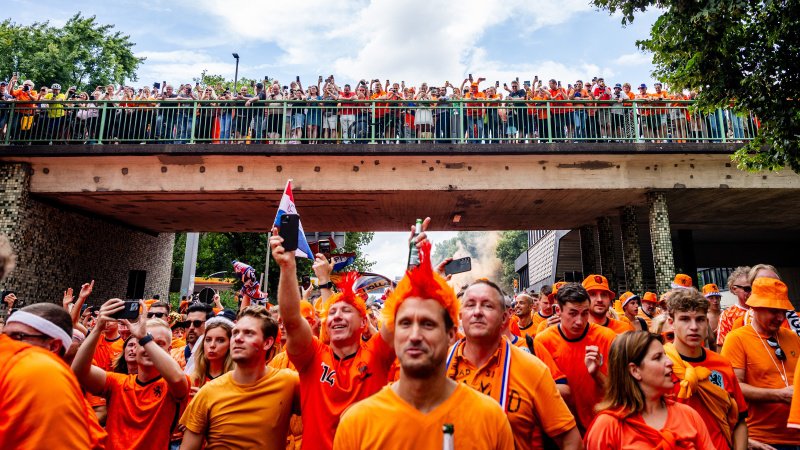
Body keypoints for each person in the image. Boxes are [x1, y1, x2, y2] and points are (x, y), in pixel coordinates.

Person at [333, 240, 515, 450]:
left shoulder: (490, 418)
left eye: (428, 324)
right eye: (405, 323)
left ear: (450, 334)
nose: (415, 335)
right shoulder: (357, 424)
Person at [270, 229, 396, 450]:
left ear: (364, 323)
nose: (337, 315)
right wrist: (287, 267)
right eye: (333, 312)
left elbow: (401, 318)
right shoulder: (313, 356)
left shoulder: (377, 354)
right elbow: (291, 319)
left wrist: (418, 264)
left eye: (346, 311)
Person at [447, 278, 582, 449]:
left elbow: (571, 440)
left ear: (504, 317)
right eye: (470, 305)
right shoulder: (437, 366)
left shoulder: (532, 368)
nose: (477, 312)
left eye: (488, 305)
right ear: (460, 315)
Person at [72, 298, 190, 450]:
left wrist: (144, 338)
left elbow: (177, 378)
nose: (148, 347)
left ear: (169, 351)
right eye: (143, 343)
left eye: (158, 344)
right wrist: (98, 328)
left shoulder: (171, 386)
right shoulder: (117, 382)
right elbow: (78, 371)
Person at [179, 306, 300, 449]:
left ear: (267, 343)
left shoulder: (289, 383)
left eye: (249, 333)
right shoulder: (207, 392)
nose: (238, 338)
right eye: (235, 333)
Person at [584, 331, 715, 448]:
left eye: (665, 355)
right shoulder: (607, 427)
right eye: (658, 357)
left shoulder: (688, 415)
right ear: (635, 371)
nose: (670, 362)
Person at [1, 304, 104, 449]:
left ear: (53, 346)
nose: (4, 344)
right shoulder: (11, 370)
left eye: (18, 337)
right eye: (3, 337)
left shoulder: (47, 376)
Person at [663, 288, 748, 450]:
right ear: (671, 322)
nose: (694, 327)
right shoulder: (660, 364)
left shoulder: (722, 364)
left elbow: (739, 421)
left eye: (700, 319)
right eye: (685, 319)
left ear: (707, 323)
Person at [721, 278, 800, 449]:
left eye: (783, 311)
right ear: (755, 307)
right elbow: (734, 387)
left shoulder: (792, 337)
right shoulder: (737, 339)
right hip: (763, 440)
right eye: (773, 311)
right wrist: (779, 395)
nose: (780, 317)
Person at [535, 282, 617, 432]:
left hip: (602, 425)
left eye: (585, 313)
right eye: (572, 313)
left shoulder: (607, 338)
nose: (579, 321)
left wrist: (596, 373)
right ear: (558, 310)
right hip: (562, 428)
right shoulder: (542, 342)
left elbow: (619, 391)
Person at [190, 316, 234, 388]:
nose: (212, 345)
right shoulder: (194, 379)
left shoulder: (236, 380)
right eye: (208, 339)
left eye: (220, 340)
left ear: (230, 344)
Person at [171, 302, 213, 370]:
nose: (191, 327)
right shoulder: (172, 356)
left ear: (209, 325)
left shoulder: (215, 360)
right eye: (188, 323)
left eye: (197, 323)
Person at [717, 266, 752, 346]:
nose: (752, 292)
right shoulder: (727, 315)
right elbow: (722, 345)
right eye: (747, 289)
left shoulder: (763, 309)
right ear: (734, 289)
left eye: (754, 287)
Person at [702, 283, 723, 351]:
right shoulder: (703, 317)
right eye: (711, 298)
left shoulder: (726, 314)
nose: (715, 301)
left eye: (717, 298)